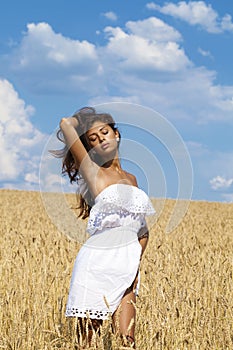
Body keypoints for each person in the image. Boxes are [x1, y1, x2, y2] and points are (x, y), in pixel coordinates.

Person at [55, 106, 155, 348]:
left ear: (116, 134)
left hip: (128, 266)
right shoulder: (93, 171)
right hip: (97, 264)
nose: (101, 139)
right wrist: (85, 120)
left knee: (127, 341)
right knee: (85, 343)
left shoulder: (132, 179)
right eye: (94, 138)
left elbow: (143, 231)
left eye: (105, 132)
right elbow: (65, 123)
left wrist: (135, 263)